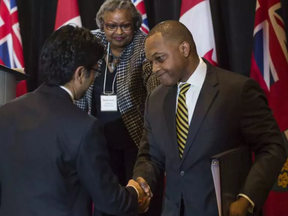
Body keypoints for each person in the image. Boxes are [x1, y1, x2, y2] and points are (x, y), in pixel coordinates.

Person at [133, 20, 287, 216]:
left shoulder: (237, 90)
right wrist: (141, 183)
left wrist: (247, 199)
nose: (154, 68)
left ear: (184, 48)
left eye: (160, 58)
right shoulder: (155, 100)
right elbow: (150, 156)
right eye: (151, 62)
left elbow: (272, 147)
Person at [0, 25, 150, 216]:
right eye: (96, 70)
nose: (94, 77)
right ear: (80, 73)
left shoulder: (5, 113)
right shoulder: (84, 127)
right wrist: (136, 193)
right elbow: (110, 201)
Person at [75, 1, 162, 215]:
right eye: (111, 26)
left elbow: (154, 81)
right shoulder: (92, 41)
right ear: (102, 25)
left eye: (125, 26)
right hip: (99, 137)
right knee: (106, 199)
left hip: (135, 138)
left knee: (139, 199)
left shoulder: (144, 45)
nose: (118, 32)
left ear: (135, 24)